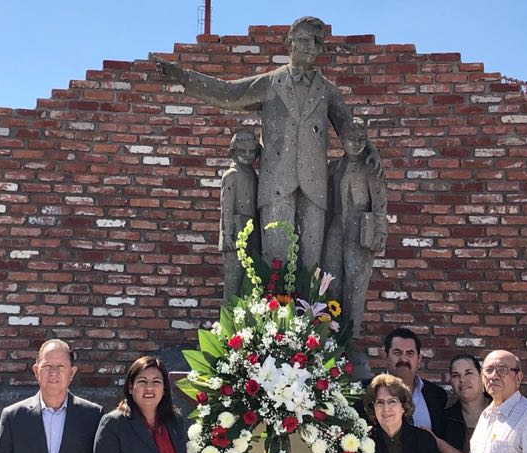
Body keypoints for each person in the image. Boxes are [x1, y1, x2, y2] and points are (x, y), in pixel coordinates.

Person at [155, 16, 376, 272]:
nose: (309, 47)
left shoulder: (327, 90)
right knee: (275, 260)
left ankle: (312, 313)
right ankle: (271, 312)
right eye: (303, 40)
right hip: (276, 182)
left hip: (314, 186)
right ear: (289, 44)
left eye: (315, 42)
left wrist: (373, 152)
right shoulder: (271, 83)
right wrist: (184, 78)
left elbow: (350, 130)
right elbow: (230, 94)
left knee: (310, 263)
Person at [323, 117, 388, 332]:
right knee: (331, 280)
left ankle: (351, 336)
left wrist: (379, 233)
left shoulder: (371, 168)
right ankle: (330, 333)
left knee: (355, 284)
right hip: (336, 226)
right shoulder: (334, 167)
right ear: (342, 140)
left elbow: (379, 203)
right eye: (351, 139)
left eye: (362, 140)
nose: (356, 144)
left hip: (359, 227)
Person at [381, 327, 448, 435]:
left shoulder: (436, 395)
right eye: (397, 353)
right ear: (386, 357)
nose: (404, 359)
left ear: (419, 359)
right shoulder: (367, 392)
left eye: (410, 353)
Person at [221, 129, 261, 299]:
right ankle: (226, 322)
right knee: (233, 285)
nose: (247, 155)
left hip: (251, 231)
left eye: (252, 151)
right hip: (236, 232)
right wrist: (227, 235)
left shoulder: (253, 174)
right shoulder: (231, 176)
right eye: (242, 151)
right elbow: (227, 207)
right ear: (233, 152)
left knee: (248, 283)